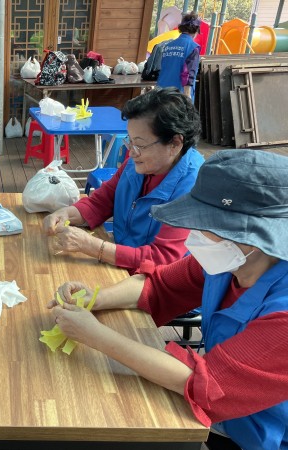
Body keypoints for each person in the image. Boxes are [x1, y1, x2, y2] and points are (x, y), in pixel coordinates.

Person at [48, 149, 288, 450]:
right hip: (228, 421)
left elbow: (203, 383)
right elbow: (159, 286)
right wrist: (95, 299)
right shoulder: (228, 262)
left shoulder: (282, 315)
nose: (193, 235)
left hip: (264, 437)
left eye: (206, 227)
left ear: (253, 237)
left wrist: (95, 335)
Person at [43, 87, 204, 274]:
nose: (132, 152)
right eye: (130, 142)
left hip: (157, 281)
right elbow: (102, 201)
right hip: (121, 265)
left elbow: (162, 258)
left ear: (175, 144)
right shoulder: (137, 163)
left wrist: (91, 246)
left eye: (140, 144)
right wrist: (66, 214)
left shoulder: (194, 187)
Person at [157, 11, 201, 100]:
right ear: (196, 30)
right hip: (178, 96)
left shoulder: (168, 46)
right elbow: (188, 74)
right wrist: (187, 98)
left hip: (161, 91)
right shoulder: (192, 48)